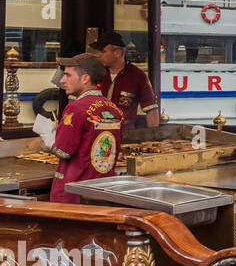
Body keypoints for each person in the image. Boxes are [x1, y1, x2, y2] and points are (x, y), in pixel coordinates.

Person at [46, 53, 124, 205]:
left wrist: (48, 141)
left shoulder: (76, 108)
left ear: (85, 79)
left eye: (68, 75)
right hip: (102, 192)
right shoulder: (115, 110)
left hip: (73, 195)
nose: (62, 80)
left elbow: (63, 151)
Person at [90, 31, 159, 128]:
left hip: (124, 135)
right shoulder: (94, 73)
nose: (98, 55)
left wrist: (154, 137)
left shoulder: (138, 76)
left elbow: (151, 109)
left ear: (118, 53)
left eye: (103, 51)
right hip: (94, 132)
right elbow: (76, 102)